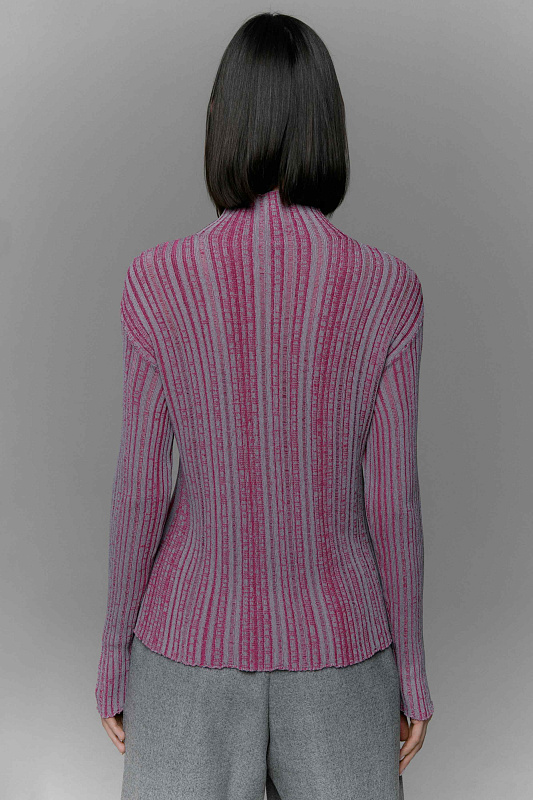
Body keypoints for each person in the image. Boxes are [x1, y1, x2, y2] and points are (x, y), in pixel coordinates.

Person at [95, 11, 434, 799]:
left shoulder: (156, 281)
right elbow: (392, 500)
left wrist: (113, 660)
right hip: (342, 650)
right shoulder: (389, 288)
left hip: (184, 649)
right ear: (327, 127)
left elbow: (140, 487)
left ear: (222, 123)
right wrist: (412, 677)